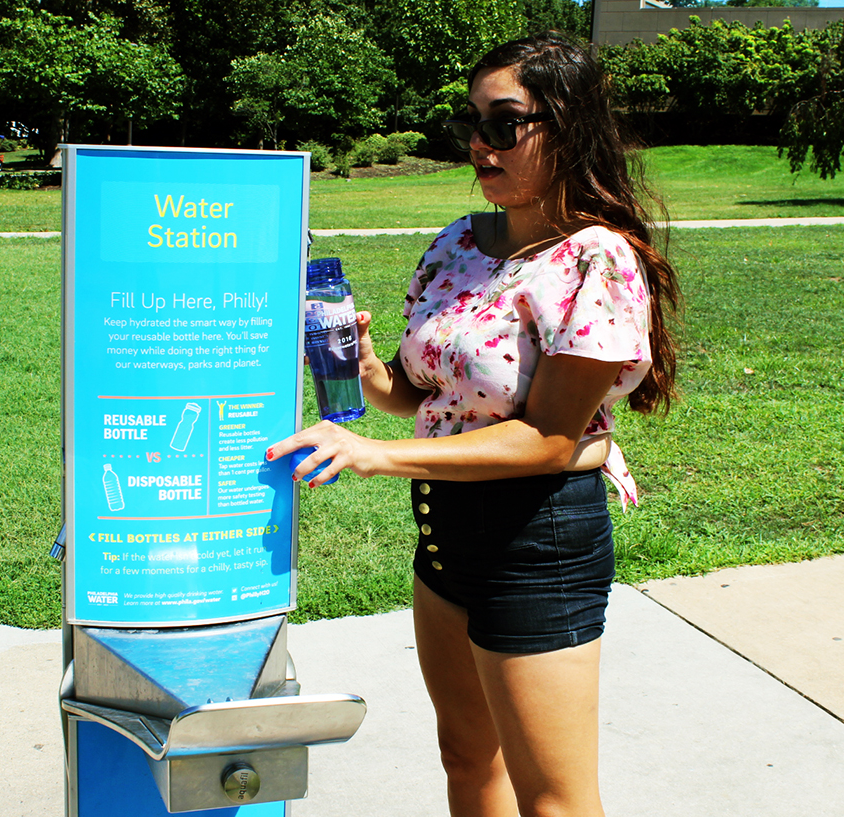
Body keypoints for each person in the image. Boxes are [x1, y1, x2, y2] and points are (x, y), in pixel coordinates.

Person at [268, 32, 680, 817]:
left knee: (554, 801)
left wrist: (375, 457)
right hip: (445, 534)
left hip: (537, 541)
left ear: (565, 128)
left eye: (503, 123)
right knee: (467, 757)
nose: (477, 143)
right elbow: (415, 393)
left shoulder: (598, 260)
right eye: (472, 122)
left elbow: (553, 438)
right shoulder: (460, 242)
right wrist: (361, 367)